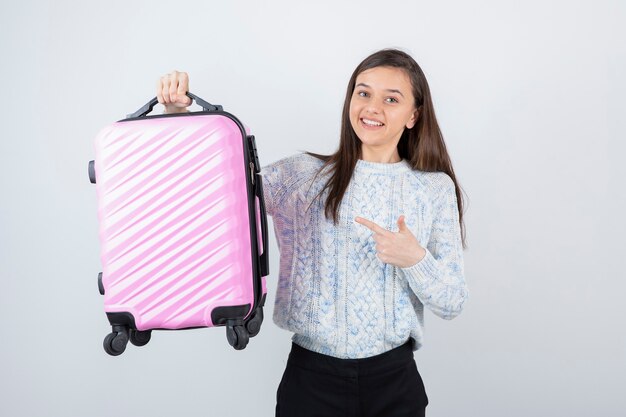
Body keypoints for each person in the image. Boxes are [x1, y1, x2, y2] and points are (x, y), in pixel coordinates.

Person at [156, 48, 469, 417]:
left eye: (391, 99)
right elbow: (212, 198)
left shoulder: (433, 189)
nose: (372, 107)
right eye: (363, 93)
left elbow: (452, 302)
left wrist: (414, 259)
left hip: (394, 384)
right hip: (313, 382)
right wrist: (180, 118)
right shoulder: (301, 176)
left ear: (414, 115)